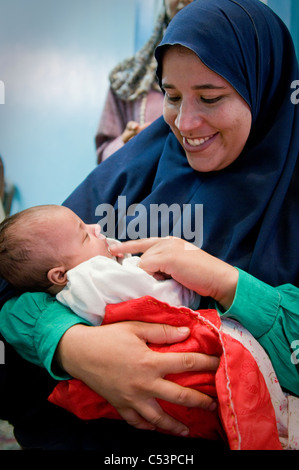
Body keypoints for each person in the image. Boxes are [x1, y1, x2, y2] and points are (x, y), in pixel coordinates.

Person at [0, 0, 298, 452]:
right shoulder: (134, 168)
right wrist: (72, 346)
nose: (185, 122)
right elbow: (14, 283)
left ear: (263, 88)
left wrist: (227, 281)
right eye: (172, 97)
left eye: (211, 97)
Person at [0, 205, 284, 449]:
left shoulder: (69, 288)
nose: (97, 227)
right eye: (85, 234)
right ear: (59, 274)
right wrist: (186, 285)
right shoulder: (92, 275)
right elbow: (159, 296)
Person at [95, 0, 193, 163]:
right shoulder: (130, 79)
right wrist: (127, 143)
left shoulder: (232, 68)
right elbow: (104, 158)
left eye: (209, 98)